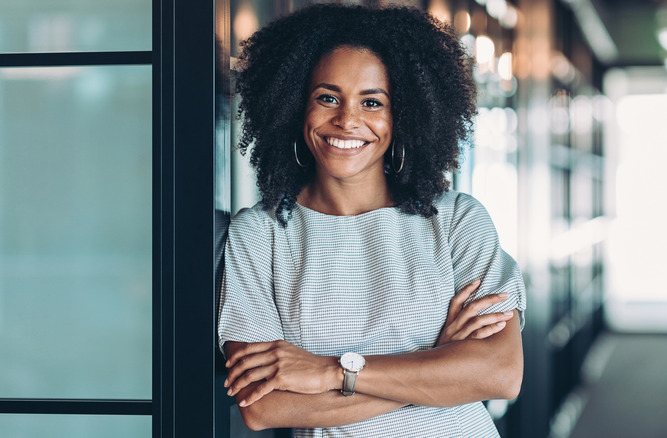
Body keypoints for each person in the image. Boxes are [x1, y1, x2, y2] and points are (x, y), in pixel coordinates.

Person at [217, 4, 527, 437]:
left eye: (372, 102)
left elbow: (499, 373)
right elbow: (264, 406)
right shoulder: (259, 237)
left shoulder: (457, 221)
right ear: (294, 105)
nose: (347, 119)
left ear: (404, 115)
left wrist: (332, 372)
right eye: (327, 97)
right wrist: (438, 365)